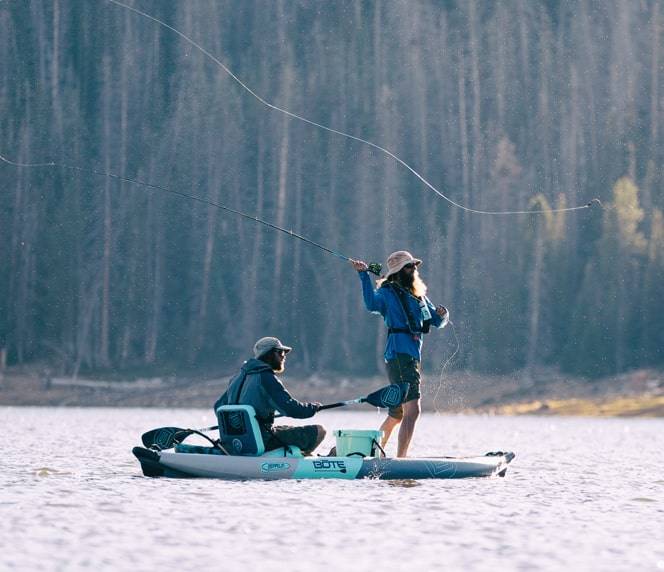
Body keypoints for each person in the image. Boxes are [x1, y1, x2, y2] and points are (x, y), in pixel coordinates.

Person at [351, 250, 449, 457]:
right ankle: (401, 459)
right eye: (408, 266)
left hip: (411, 357)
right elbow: (370, 304)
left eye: (414, 265)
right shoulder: (387, 292)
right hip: (399, 355)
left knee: (397, 414)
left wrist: (443, 315)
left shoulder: (419, 295)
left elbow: (437, 322)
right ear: (397, 271)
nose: (413, 269)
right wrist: (363, 275)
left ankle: (370, 456)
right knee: (413, 411)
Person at [214, 337, 326, 455]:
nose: (284, 356)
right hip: (261, 441)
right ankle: (300, 461)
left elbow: (218, 407)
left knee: (283, 428)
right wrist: (313, 408)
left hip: (235, 442)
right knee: (320, 431)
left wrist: (241, 423)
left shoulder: (236, 378)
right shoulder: (266, 378)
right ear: (269, 355)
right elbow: (291, 409)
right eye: (280, 352)